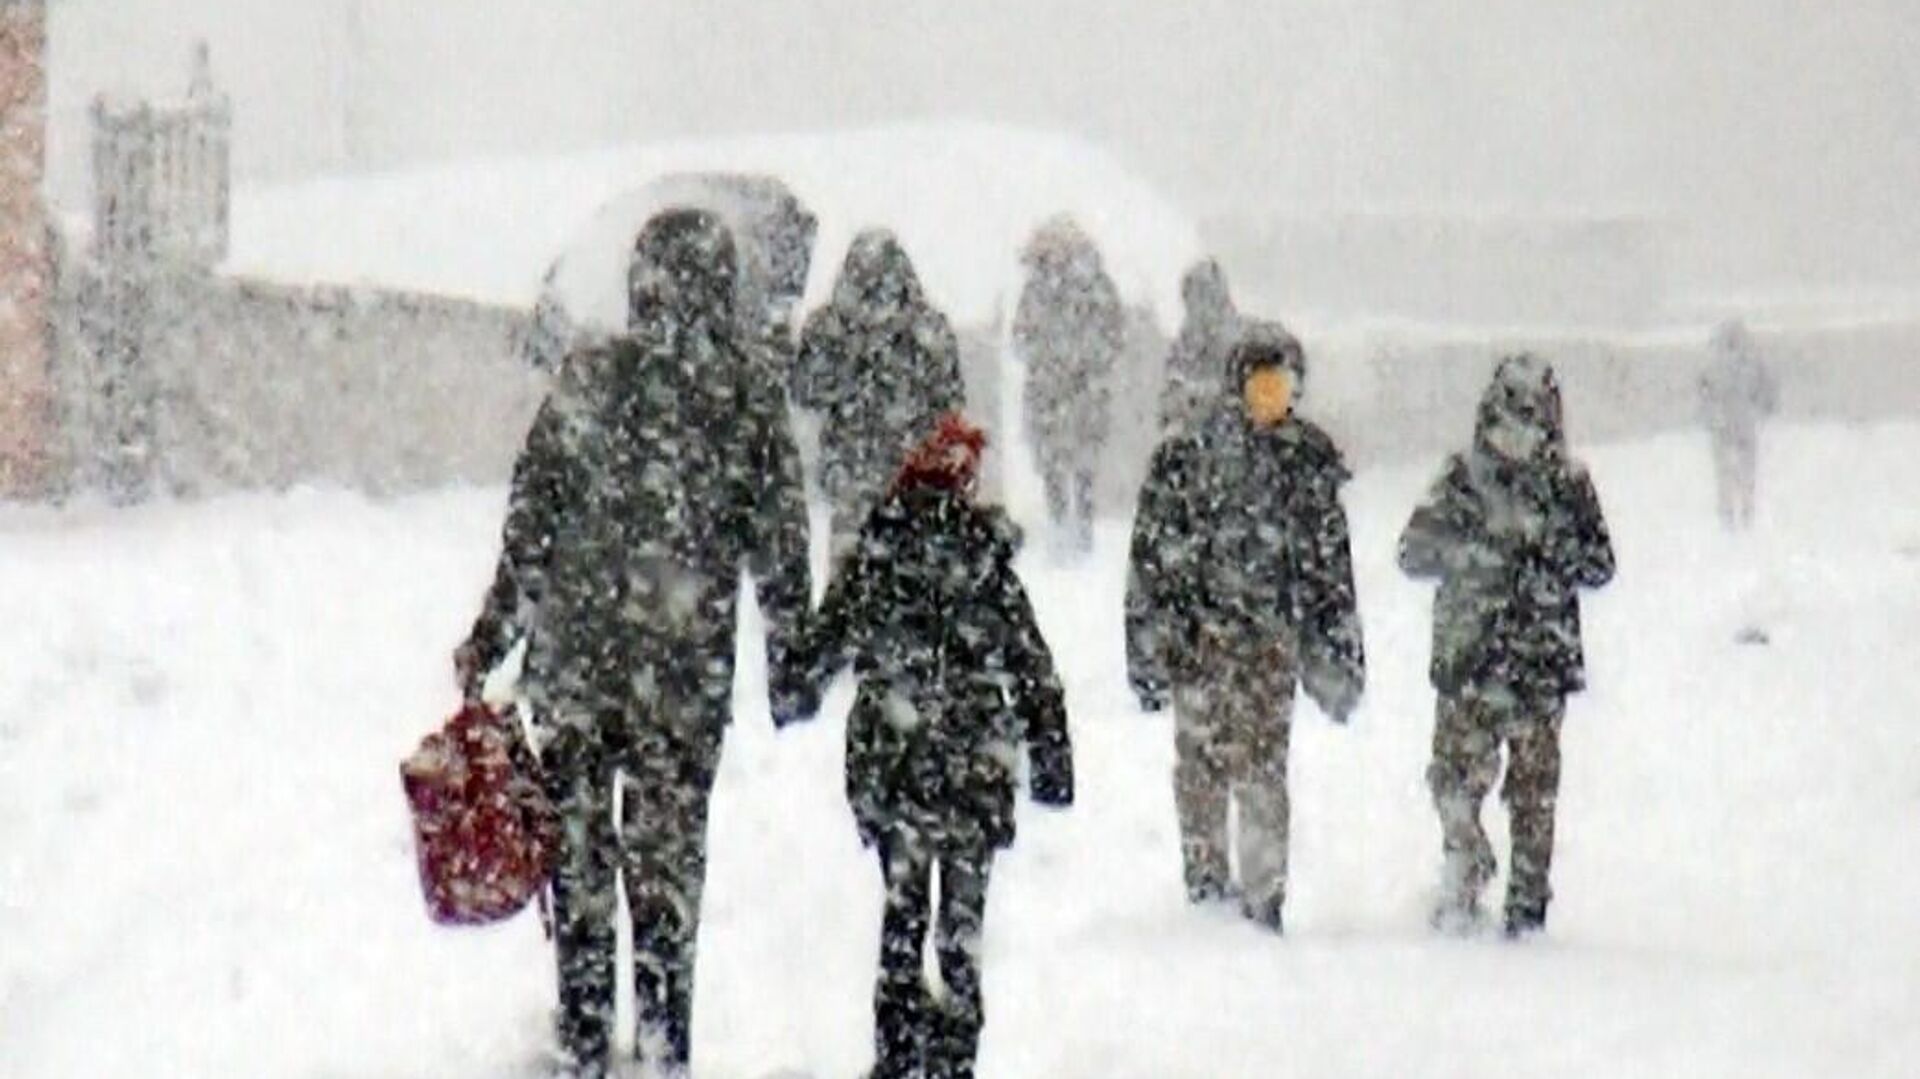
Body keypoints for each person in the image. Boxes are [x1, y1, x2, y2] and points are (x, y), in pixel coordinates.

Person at [455, 209, 814, 1078]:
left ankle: (584, 1039)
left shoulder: (589, 380)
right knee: (665, 874)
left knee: (579, 866)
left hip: (577, 672)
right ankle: (662, 1045)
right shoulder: (745, 400)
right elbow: (780, 543)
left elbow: (531, 524)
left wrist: (493, 634)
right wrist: (791, 656)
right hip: (682, 679)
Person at [793, 412, 1074, 1079]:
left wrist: (795, 685)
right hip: (975, 767)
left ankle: (896, 1054)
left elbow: (821, 647)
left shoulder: (878, 555)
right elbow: (1032, 664)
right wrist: (1052, 755)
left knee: (903, 911)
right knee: (961, 928)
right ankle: (954, 1056)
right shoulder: (985, 560)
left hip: (895, 768)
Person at [1125, 323, 1365, 932]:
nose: (1271, 402)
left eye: (1282, 388)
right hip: (1200, 642)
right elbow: (1152, 560)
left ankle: (1263, 899)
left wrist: (1337, 651)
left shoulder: (1306, 464)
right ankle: (1206, 888)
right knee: (1200, 768)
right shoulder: (1188, 458)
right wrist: (1150, 644)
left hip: (1268, 649)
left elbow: (1329, 572)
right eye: (1261, 388)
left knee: (1261, 771)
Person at [1398, 354, 1615, 939]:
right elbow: (1412, 552)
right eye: (1508, 419)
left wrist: (1546, 555)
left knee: (1534, 796)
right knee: (1452, 783)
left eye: (1532, 421)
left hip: (1539, 664)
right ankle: (1465, 872)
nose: (1519, 435)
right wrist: (1475, 552)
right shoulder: (1461, 478)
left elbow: (1599, 564)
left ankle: (1527, 906)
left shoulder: (1569, 486)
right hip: (1470, 662)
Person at [792, 229, 965, 555]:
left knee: (852, 581)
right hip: (909, 480)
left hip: (857, 476)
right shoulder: (928, 330)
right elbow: (951, 400)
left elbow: (805, 390)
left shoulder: (829, 328)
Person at [1012, 216, 1126, 554]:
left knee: (1079, 461)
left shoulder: (1091, 286)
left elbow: (1112, 332)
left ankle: (1079, 527)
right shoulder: (1039, 288)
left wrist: (1075, 360)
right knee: (1056, 462)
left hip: (1076, 389)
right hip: (1057, 390)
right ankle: (1061, 524)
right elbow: (1021, 336)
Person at [1697, 319, 1779, 531]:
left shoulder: (1711, 364)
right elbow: (1766, 389)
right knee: (1745, 472)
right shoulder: (1752, 362)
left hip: (1723, 425)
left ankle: (1729, 516)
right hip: (1743, 424)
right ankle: (1745, 512)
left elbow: (1704, 395)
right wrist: (1765, 408)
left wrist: (1708, 418)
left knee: (1725, 474)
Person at [1157, 258, 1242, 435]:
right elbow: (1171, 392)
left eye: (1207, 296)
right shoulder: (1182, 345)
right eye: (1194, 298)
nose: (1200, 307)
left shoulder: (1240, 340)